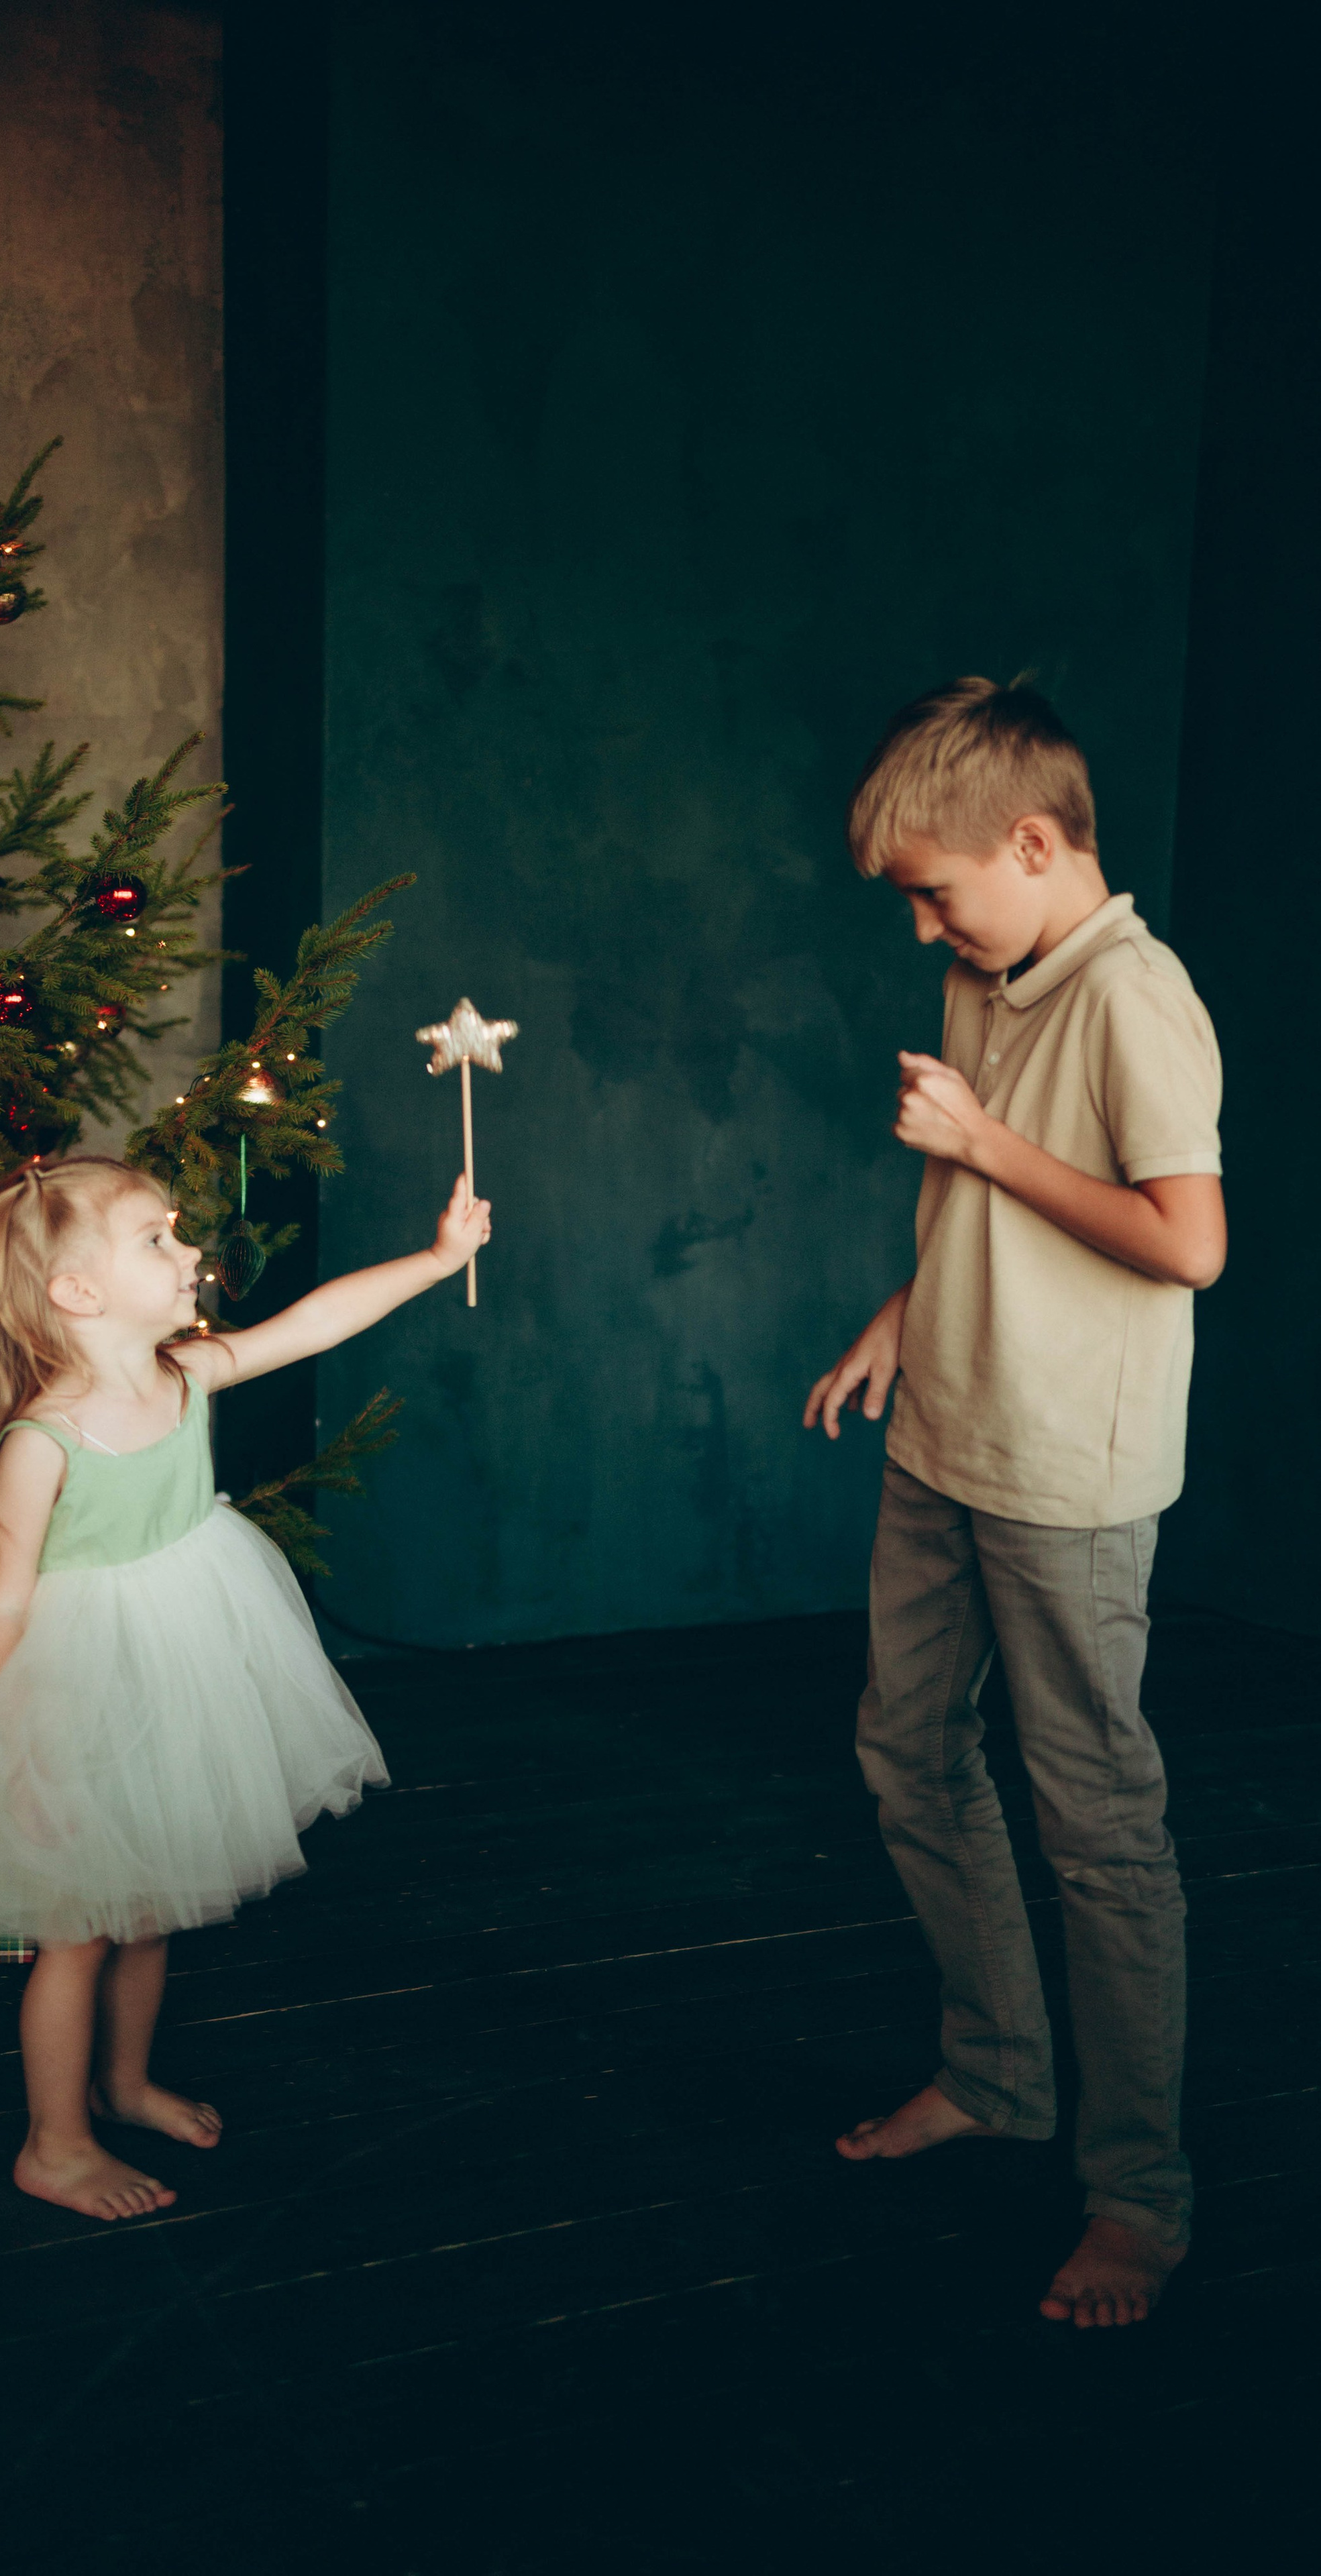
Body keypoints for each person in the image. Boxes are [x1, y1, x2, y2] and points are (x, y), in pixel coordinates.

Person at [803, 676, 1224, 2328]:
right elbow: (975, 1192)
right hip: (943, 1437)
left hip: (1066, 1478)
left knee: (1096, 1829)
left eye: (934, 890)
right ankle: (994, 2074)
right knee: (906, 1749)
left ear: (1032, 844)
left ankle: (1139, 2201)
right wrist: (903, 1314)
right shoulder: (999, 963)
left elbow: (1183, 1244)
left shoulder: (1135, 999)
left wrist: (979, 1147)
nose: (923, 929)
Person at [0, 1154, 490, 2221]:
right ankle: (53, 2143)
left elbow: (313, 1325)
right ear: (76, 1293)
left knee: (151, 1897)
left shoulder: (183, 1375)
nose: (191, 1251)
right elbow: (3, 1610)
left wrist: (437, 1258)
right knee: (78, 1929)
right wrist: (23, 1747)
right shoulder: (41, 1444)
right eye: (158, 1238)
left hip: (182, 1651)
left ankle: (126, 2080)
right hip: (72, 1687)